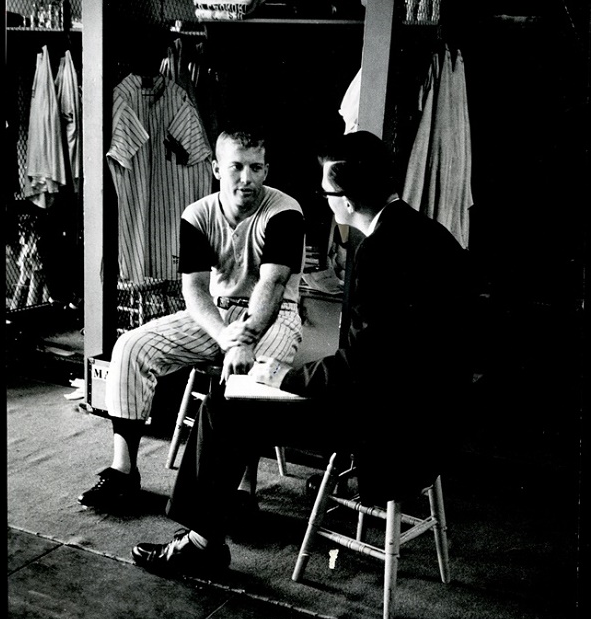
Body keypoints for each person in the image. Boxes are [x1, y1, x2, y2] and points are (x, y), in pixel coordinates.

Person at [130, 129, 475, 577]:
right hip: (434, 413)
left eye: (328, 190)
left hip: (390, 423)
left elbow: (362, 369)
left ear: (347, 201)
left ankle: (200, 544)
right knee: (240, 399)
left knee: (226, 405)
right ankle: (214, 520)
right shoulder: (428, 233)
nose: (325, 200)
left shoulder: (378, 254)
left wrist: (283, 378)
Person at [78, 126, 306, 510]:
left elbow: (274, 282)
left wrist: (245, 340)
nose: (246, 178)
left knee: (251, 376)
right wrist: (224, 337)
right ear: (217, 169)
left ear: (267, 171)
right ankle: (123, 471)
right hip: (216, 312)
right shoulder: (197, 214)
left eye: (256, 168)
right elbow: (195, 290)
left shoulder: (285, 211)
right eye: (236, 167)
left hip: (274, 316)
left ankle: (241, 490)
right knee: (131, 347)